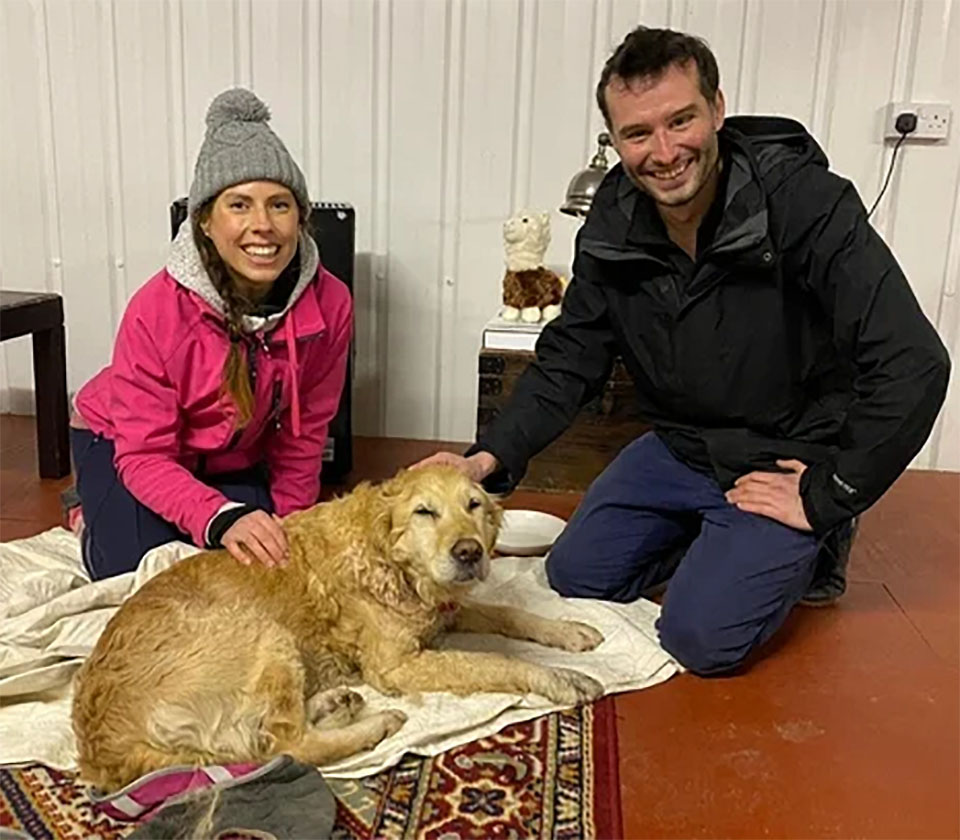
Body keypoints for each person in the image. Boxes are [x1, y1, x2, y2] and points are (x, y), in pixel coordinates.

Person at [417, 27, 950, 675]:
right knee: (578, 577)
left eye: (681, 121)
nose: (664, 152)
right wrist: (487, 457)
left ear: (717, 110)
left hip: (785, 453)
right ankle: (713, 536)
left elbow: (914, 363)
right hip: (679, 444)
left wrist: (830, 492)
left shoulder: (807, 204)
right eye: (638, 134)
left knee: (703, 641)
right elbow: (571, 355)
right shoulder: (613, 217)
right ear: (614, 140)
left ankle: (820, 538)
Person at [68, 88, 352, 580]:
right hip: (123, 443)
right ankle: (89, 509)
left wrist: (289, 528)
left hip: (229, 452)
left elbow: (305, 438)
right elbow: (145, 454)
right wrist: (219, 517)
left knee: (261, 552)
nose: (262, 226)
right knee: (140, 571)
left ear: (300, 217)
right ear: (205, 219)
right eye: (239, 205)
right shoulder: (155, 310)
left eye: (279, 205)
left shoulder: (332, 304)